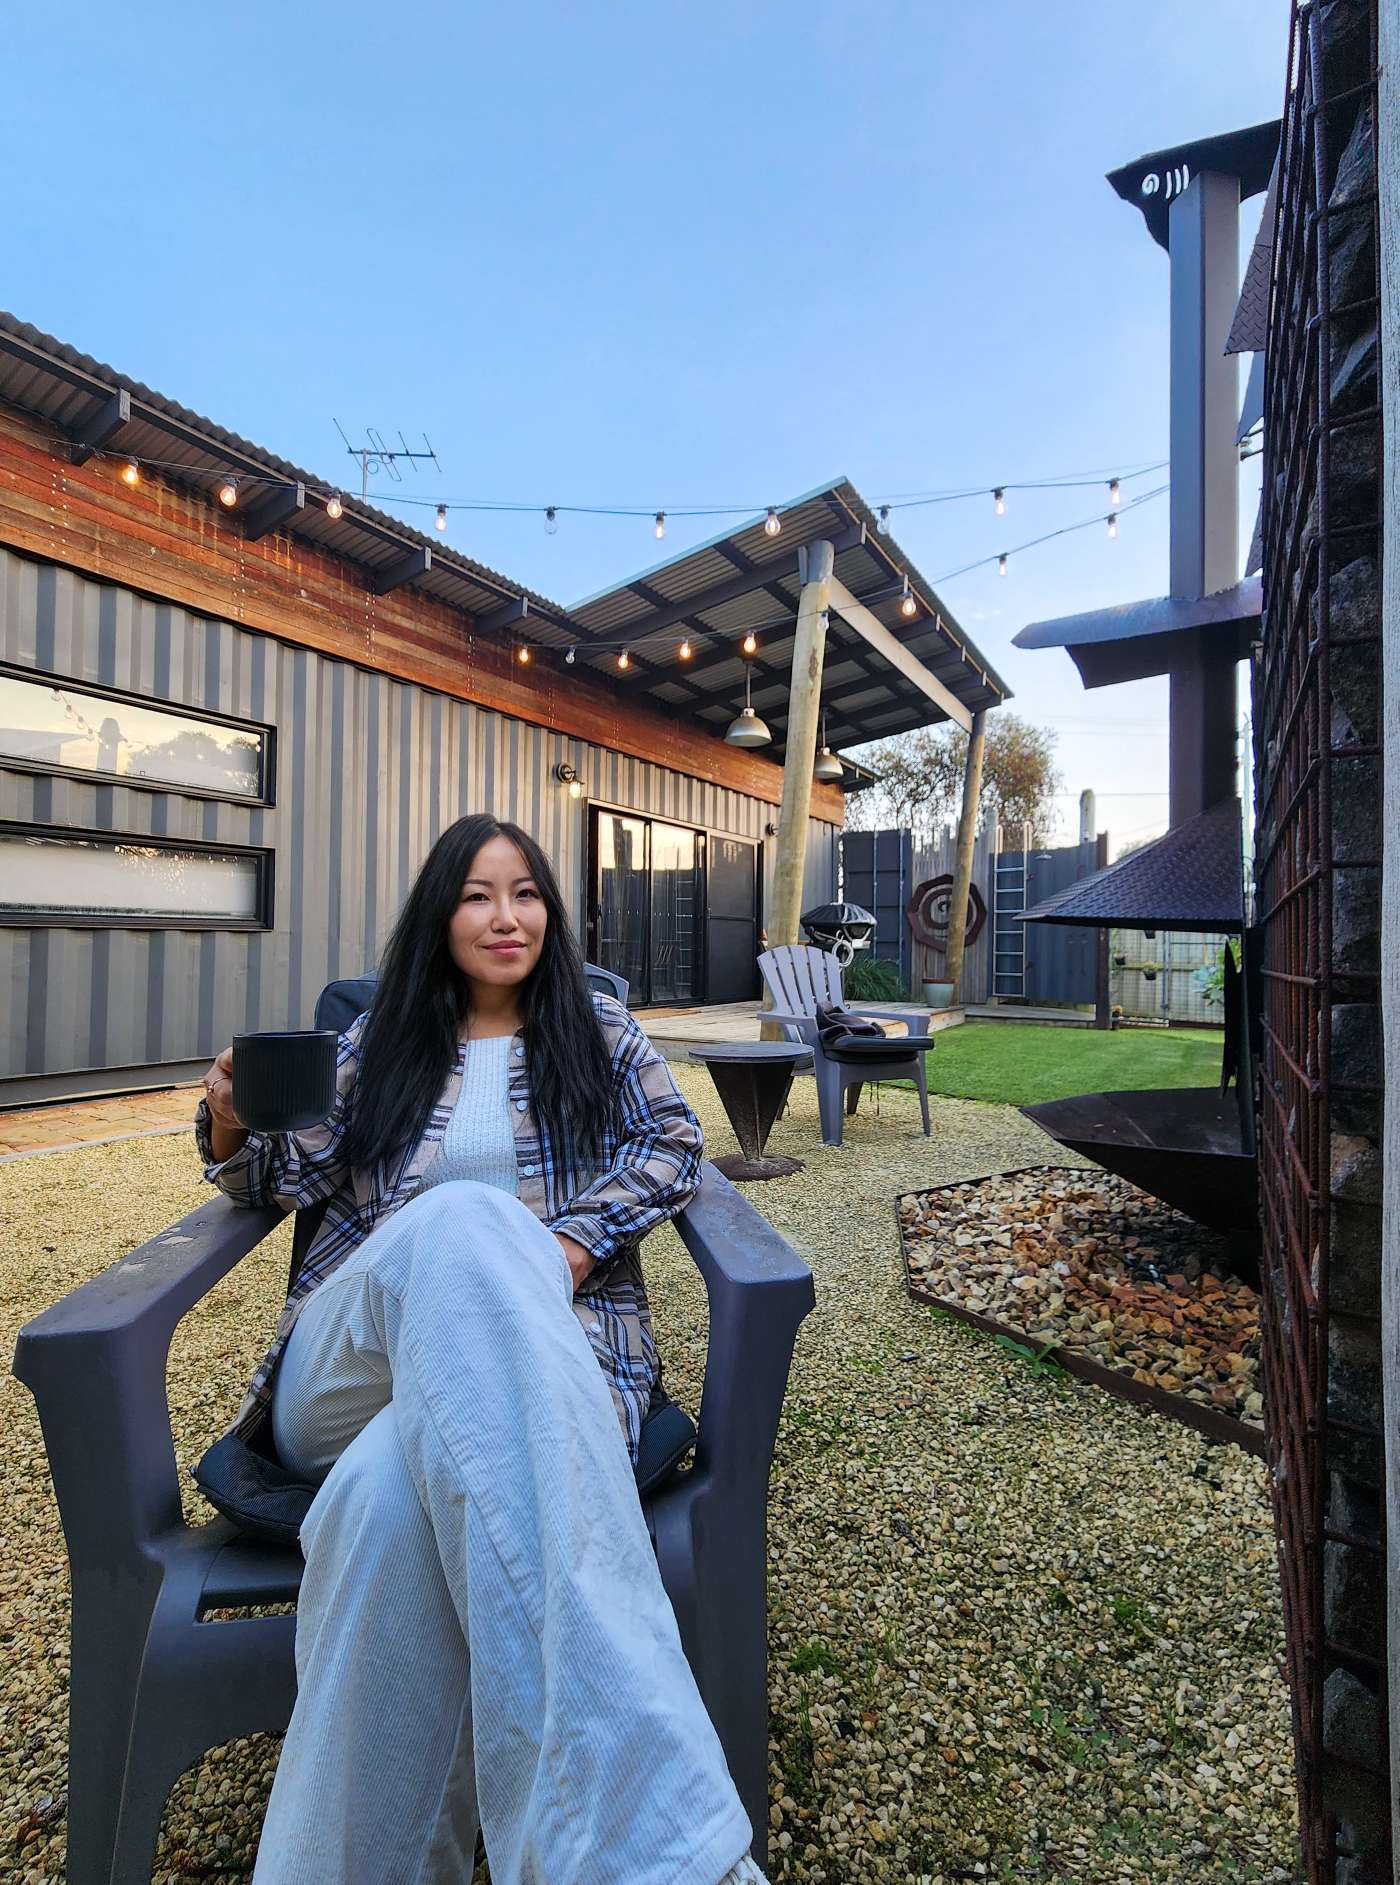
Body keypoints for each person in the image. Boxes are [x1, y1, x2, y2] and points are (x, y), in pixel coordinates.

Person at [196, 813, 767, 1885]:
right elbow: (277, 1175)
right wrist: (229, 1116)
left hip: (546, 1360)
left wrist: (569, 1247)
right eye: (476, 895)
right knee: (465, 1223)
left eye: (526, 894)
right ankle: (647, 1842)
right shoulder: (378, 1046)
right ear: (439, 916)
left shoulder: (598, 1032)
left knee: (383, 1510)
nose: (505, 917)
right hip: (354, 1370)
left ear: (551, 912)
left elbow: (673, 1143)